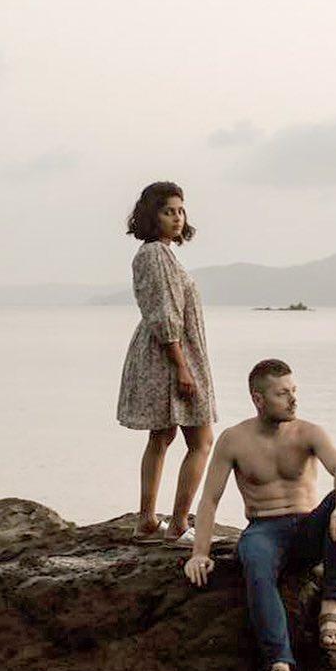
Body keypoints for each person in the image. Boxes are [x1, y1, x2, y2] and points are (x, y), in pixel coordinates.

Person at [184, 358, 336, 671]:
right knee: (256, 564)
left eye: (294, 390)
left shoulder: (309, 432)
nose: (294, 399)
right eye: (283, 394)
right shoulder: (233, 439)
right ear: (258, 398)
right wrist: (199, 553)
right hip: (263, 530)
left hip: (308, 528)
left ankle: (331, 609)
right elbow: (209, 500)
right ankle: (279, 665)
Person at [117, 181, 217, 543]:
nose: (177, 218)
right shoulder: (156, 255)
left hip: (163, 352)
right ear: (151, 216)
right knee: (201, 440)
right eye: (167, 211)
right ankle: (177, 524)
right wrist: (182, 366)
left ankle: (147, 519)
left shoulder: (158, 254)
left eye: (180, 210)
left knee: (162, 436)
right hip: (170, 354)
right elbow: (165, 314)